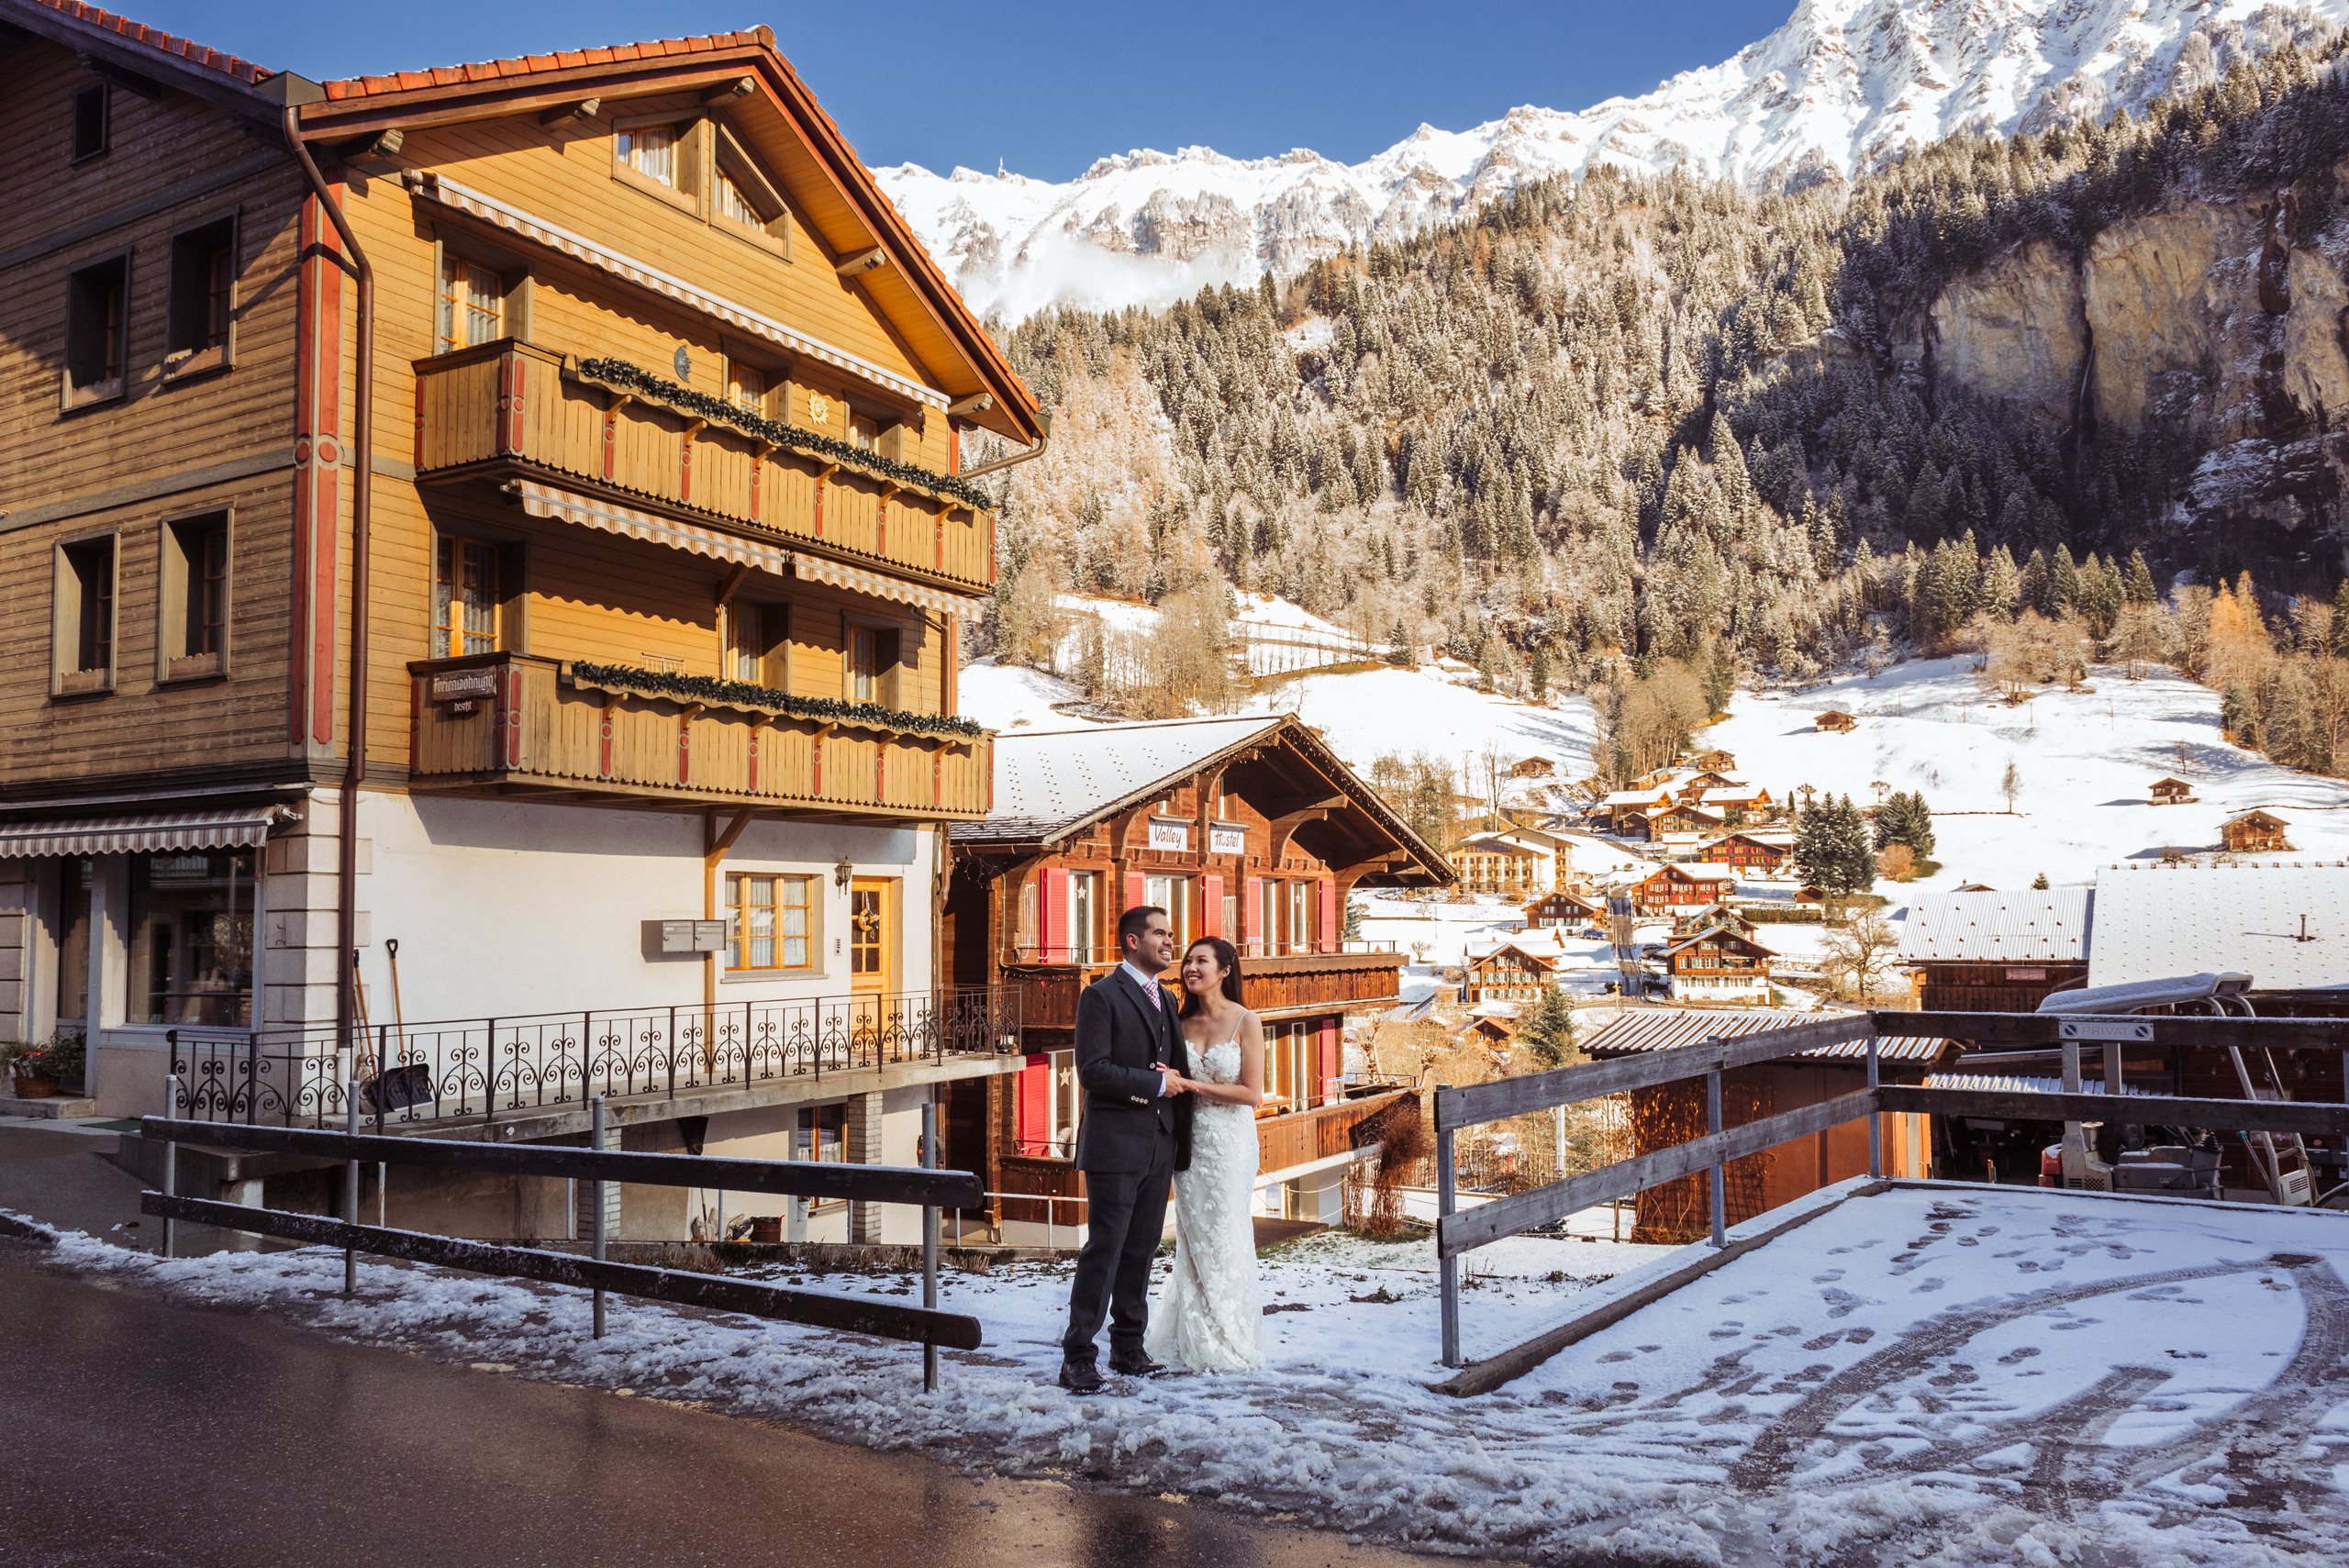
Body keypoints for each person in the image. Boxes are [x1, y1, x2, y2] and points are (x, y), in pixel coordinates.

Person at [1059, 906, 1192, 1393]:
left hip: (1159, 1143)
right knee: (1105, 1251)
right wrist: (1154, 1086)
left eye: (1170, 934)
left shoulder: (1170, 1001)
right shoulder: (1100, 996)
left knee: (1141, 1251)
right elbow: (1093, 1071)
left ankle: (1128, 1348)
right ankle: (1077, 1356)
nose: (1169, 941)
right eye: (1160, 933)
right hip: (1115, 1146)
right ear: (1133, 942)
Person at [1147, 936, 1267, 1372]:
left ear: (1225, 969)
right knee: (1194, 1239)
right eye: (1187, 961)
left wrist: (1192, 1084)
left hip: (1230, 1144)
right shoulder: (1176, 1023)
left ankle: (1230, 1335)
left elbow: (1251, 1093)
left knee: (1226, 1233)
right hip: (1189, 1143)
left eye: (1201, 961)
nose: (1190, 968)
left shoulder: (1245, 1021)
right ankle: (1193, 1335)